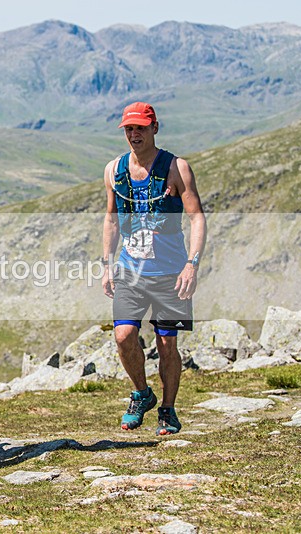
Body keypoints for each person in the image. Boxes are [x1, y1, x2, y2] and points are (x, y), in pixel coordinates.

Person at [101, 102, 206, 436]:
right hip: (129, 271)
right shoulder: (113, 170)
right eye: (129, 129)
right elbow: (111, 218)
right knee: (124, 335)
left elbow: (197, 217)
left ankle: (168, 409)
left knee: (167, 345)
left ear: (155, 128)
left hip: (171, 273)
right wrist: (106, 263)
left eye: (141, 128)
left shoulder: (177, 167)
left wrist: (192, 265)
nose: (134, 135)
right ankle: (142, 393)